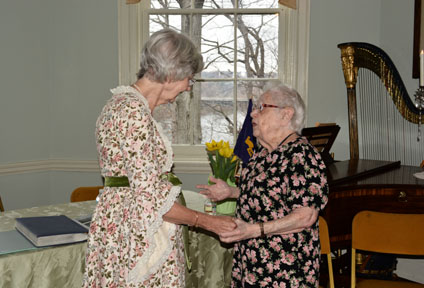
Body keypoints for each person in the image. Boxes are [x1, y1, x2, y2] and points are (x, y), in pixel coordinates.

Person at [83, 28, 236, 288]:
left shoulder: (123, 105)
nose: (189, 86)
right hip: (137, 234)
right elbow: (151, 201)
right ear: (170, 73)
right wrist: (208, 221)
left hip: (124, 226)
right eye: (189, 78)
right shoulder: (133, 113)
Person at [197, 81, 329, 287]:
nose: (252, 114)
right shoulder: (263, 152)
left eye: (261, 108)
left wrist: (253, 230)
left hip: (284, 271)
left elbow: (305, 216)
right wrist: (230, 192)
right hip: (251, 264)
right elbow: (268, 196)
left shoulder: (302, 156)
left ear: (286, 115)